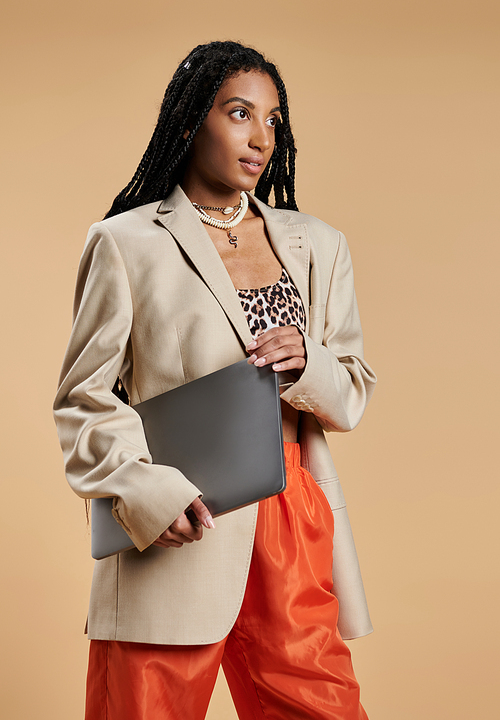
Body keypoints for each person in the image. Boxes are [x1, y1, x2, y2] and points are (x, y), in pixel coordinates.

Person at [54, 40, 377, 720]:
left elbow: (349, 390)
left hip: (293, 514)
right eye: (239, 114)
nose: (262, 137)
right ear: (188, 121)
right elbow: (83, 402)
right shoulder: (125, 242)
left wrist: (306, 363)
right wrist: (148, 493)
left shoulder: (318, 244)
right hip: (180, 519)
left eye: (273, 122)